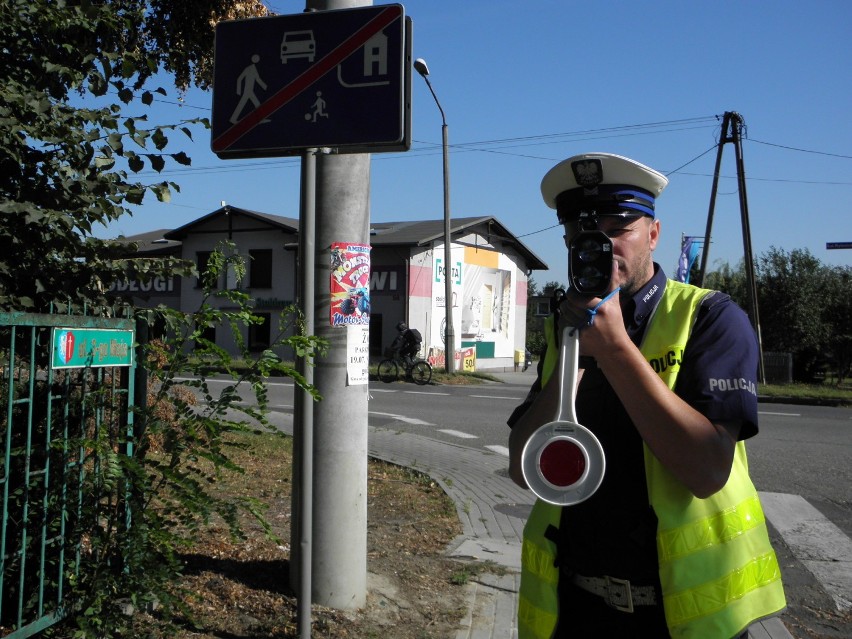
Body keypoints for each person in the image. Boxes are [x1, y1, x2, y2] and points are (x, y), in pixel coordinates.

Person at [507, 153, 786, 638]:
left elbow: (707, 470)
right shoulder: (565, 329)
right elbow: (521, 466)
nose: (600, 246)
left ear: (653, 234)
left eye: (619, 228)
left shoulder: (710, 318)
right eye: (580, 234)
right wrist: (576, 355)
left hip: (679, 616)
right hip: (575, 606)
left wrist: (615, 349)